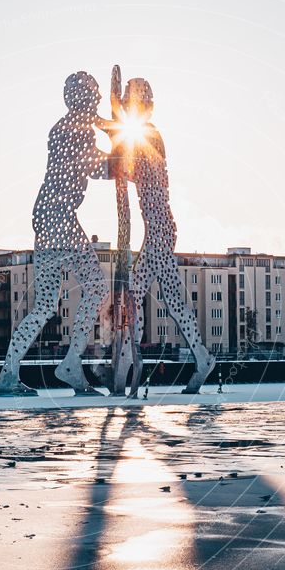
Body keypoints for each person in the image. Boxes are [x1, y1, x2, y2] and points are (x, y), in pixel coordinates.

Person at [0, 72, 111, 396]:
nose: (99, 100)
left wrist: (110, 130)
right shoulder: (72, 131)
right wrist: (129, 159)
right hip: (59, 220)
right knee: (98, 286)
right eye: (94, 95)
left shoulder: (67, 128)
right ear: (82, 99)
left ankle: (8, 375)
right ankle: (72, 363)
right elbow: (99, 167)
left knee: (45, 305)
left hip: (47, 220)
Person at [101, 77, 215, 397]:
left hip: (160, 230)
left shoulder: (149, 136)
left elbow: (125, 169)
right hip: (159, 228)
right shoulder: (146, 136)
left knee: (135, 296)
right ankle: (202, 357)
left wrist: (110, 126)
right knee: (173, 300)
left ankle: (126, 364)